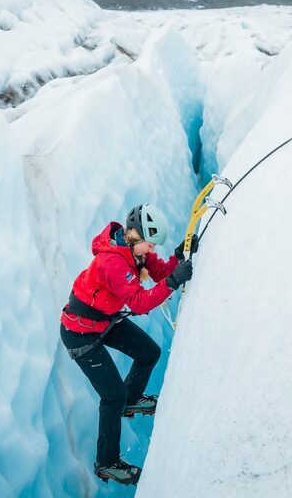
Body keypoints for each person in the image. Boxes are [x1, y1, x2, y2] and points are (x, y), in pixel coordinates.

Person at [59, 203, 196, 486]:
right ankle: (107, 463)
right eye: (150, 244)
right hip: (80, 332)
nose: (152, 250)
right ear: (135, 235)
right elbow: (139, 302)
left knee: (149, 353)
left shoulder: (134, 251)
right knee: (112, 395)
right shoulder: (113, 261)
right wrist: (173, 282)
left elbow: (159, 272)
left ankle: (132, 401)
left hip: (103, 320)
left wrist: (177, 256)